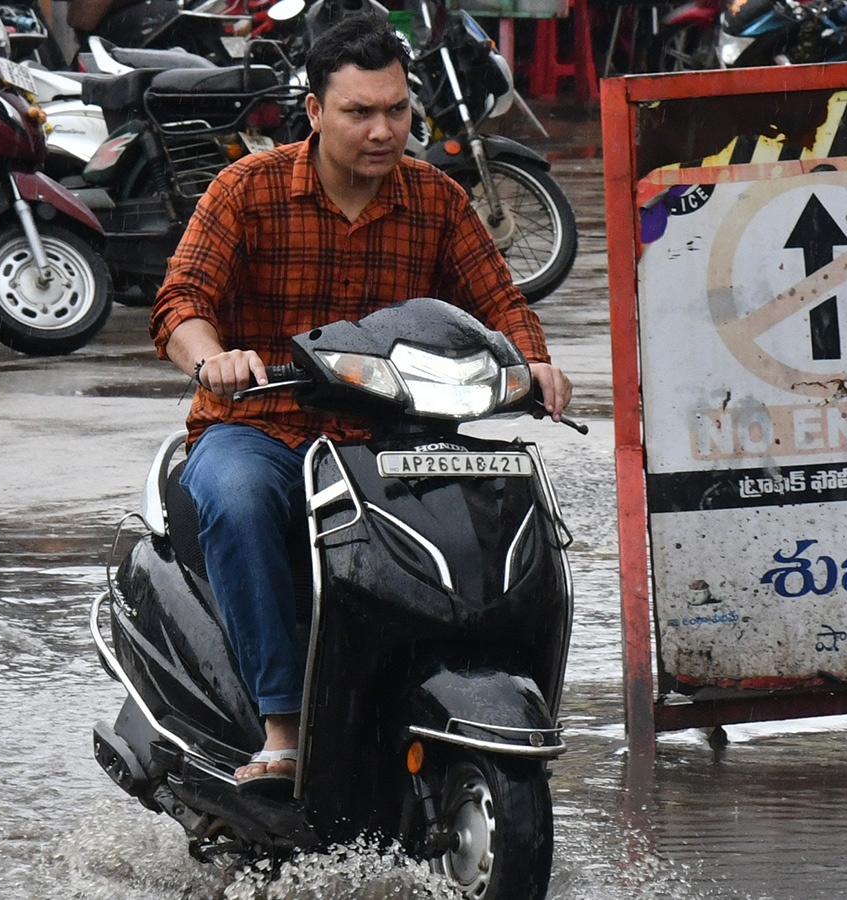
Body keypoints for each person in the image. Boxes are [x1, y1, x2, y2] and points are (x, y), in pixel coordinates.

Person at [149, 13, 572, 792]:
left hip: (391, 436)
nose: (383, 131)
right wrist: (214, 359)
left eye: (397, 110)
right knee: (238, 500)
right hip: (264, 429)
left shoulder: (438, 200)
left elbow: (502, 304)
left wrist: (535, 364)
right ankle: (282, 729)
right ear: (313, 111)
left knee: (500, 503)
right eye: (359, 113)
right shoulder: (246, 190)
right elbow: (180, 304)